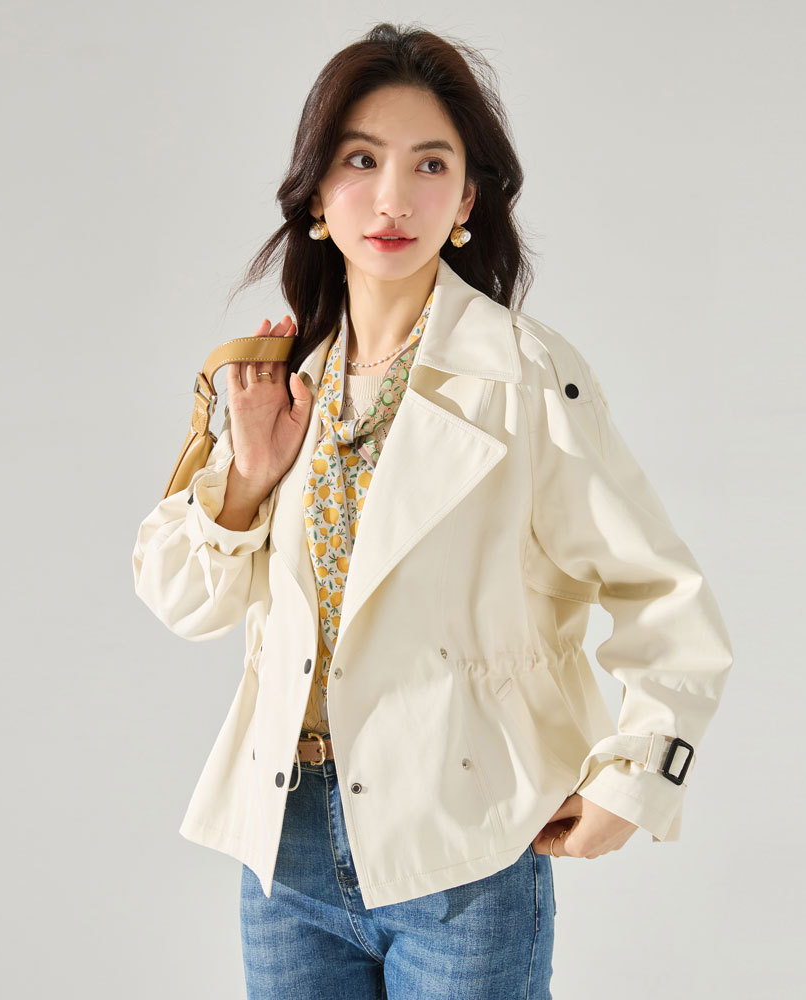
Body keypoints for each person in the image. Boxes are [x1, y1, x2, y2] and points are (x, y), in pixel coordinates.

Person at [132, 22, 734, 1000]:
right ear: (315, 196)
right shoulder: (280, 383)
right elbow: (179, 600)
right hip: (283, 847)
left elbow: (663, 593)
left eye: (430, 165)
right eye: (360, 160)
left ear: (465, 202)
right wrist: (247, 477)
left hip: (464, 848)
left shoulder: (524, 375)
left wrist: (636, 780)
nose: (393, 198)